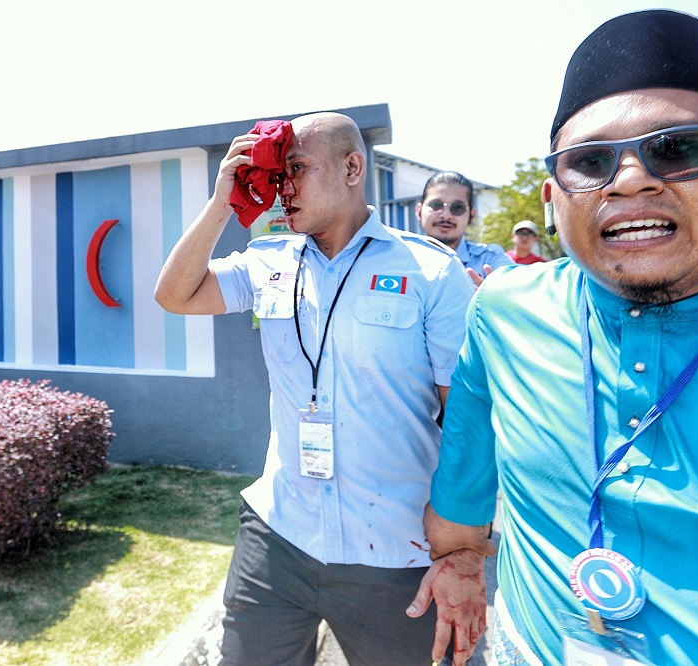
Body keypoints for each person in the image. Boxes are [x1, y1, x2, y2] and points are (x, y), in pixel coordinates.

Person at [406, 9, 698, 666]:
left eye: (679, 148)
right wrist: (463, 563)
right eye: (588, 162)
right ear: (554, 198)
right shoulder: (503, 314)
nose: (630, 179)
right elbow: (461, 499)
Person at [155, 111, 473, 665]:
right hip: (280, 535)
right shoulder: (268, 261)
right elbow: (175, 295)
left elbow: (467, 422)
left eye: (297, 168)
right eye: (280, 173)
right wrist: (221, 205)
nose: (283, 187)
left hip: (396, 552)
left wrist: (465, 552)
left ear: (353, 167)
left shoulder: (431, 273)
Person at [417, 171, 514, 287]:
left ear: (471, 216)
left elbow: (520, 290)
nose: (446, 215)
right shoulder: (398, 259)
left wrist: (495, 300)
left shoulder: (490, 259)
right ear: (419, 211)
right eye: (436, 205)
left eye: (457, 207)